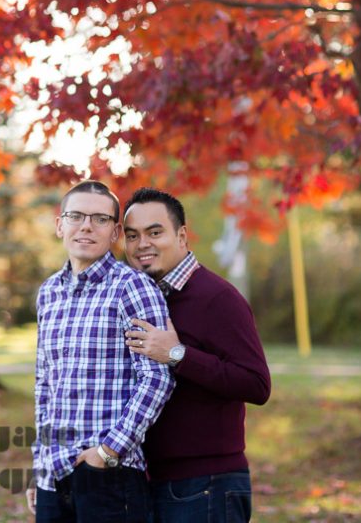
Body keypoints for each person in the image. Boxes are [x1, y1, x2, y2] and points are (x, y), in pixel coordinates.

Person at [28, 180, 175, 523]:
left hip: (111, 476)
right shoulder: (49, 292)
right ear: (59, 225)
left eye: (100, 219)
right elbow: (44, 384)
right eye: (76, 216)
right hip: (54, 472)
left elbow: (157, 378)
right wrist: (39, 465)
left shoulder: (132, 287)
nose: (86, 226)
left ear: (115, 232)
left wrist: (108, 452)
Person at [122, 188, 271, 523]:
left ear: (182, 235)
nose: (142, 244)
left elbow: (257, 384)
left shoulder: (217, 297)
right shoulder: (143, 300)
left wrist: (176, 354)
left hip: (207, 484)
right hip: (152, 479)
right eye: (132, 236)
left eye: (155, 232)